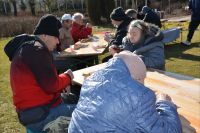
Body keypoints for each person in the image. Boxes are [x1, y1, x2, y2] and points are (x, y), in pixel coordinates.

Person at [68, 51, 182, 133]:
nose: (143, 85)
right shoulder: (140, 95)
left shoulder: (89, 81)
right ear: (131, 78)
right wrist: (164, 103)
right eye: (141, 79)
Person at [4, 14, 76, 132]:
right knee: (86, 111)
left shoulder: (28, 48)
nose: (58, 41)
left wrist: (62, 81)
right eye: (56, 37)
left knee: (71, 98)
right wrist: (68, 76)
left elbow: (45, 81)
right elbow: (52, 86)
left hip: (31, 111)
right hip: (40, 114)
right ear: (44, 35)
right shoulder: (37, 50)